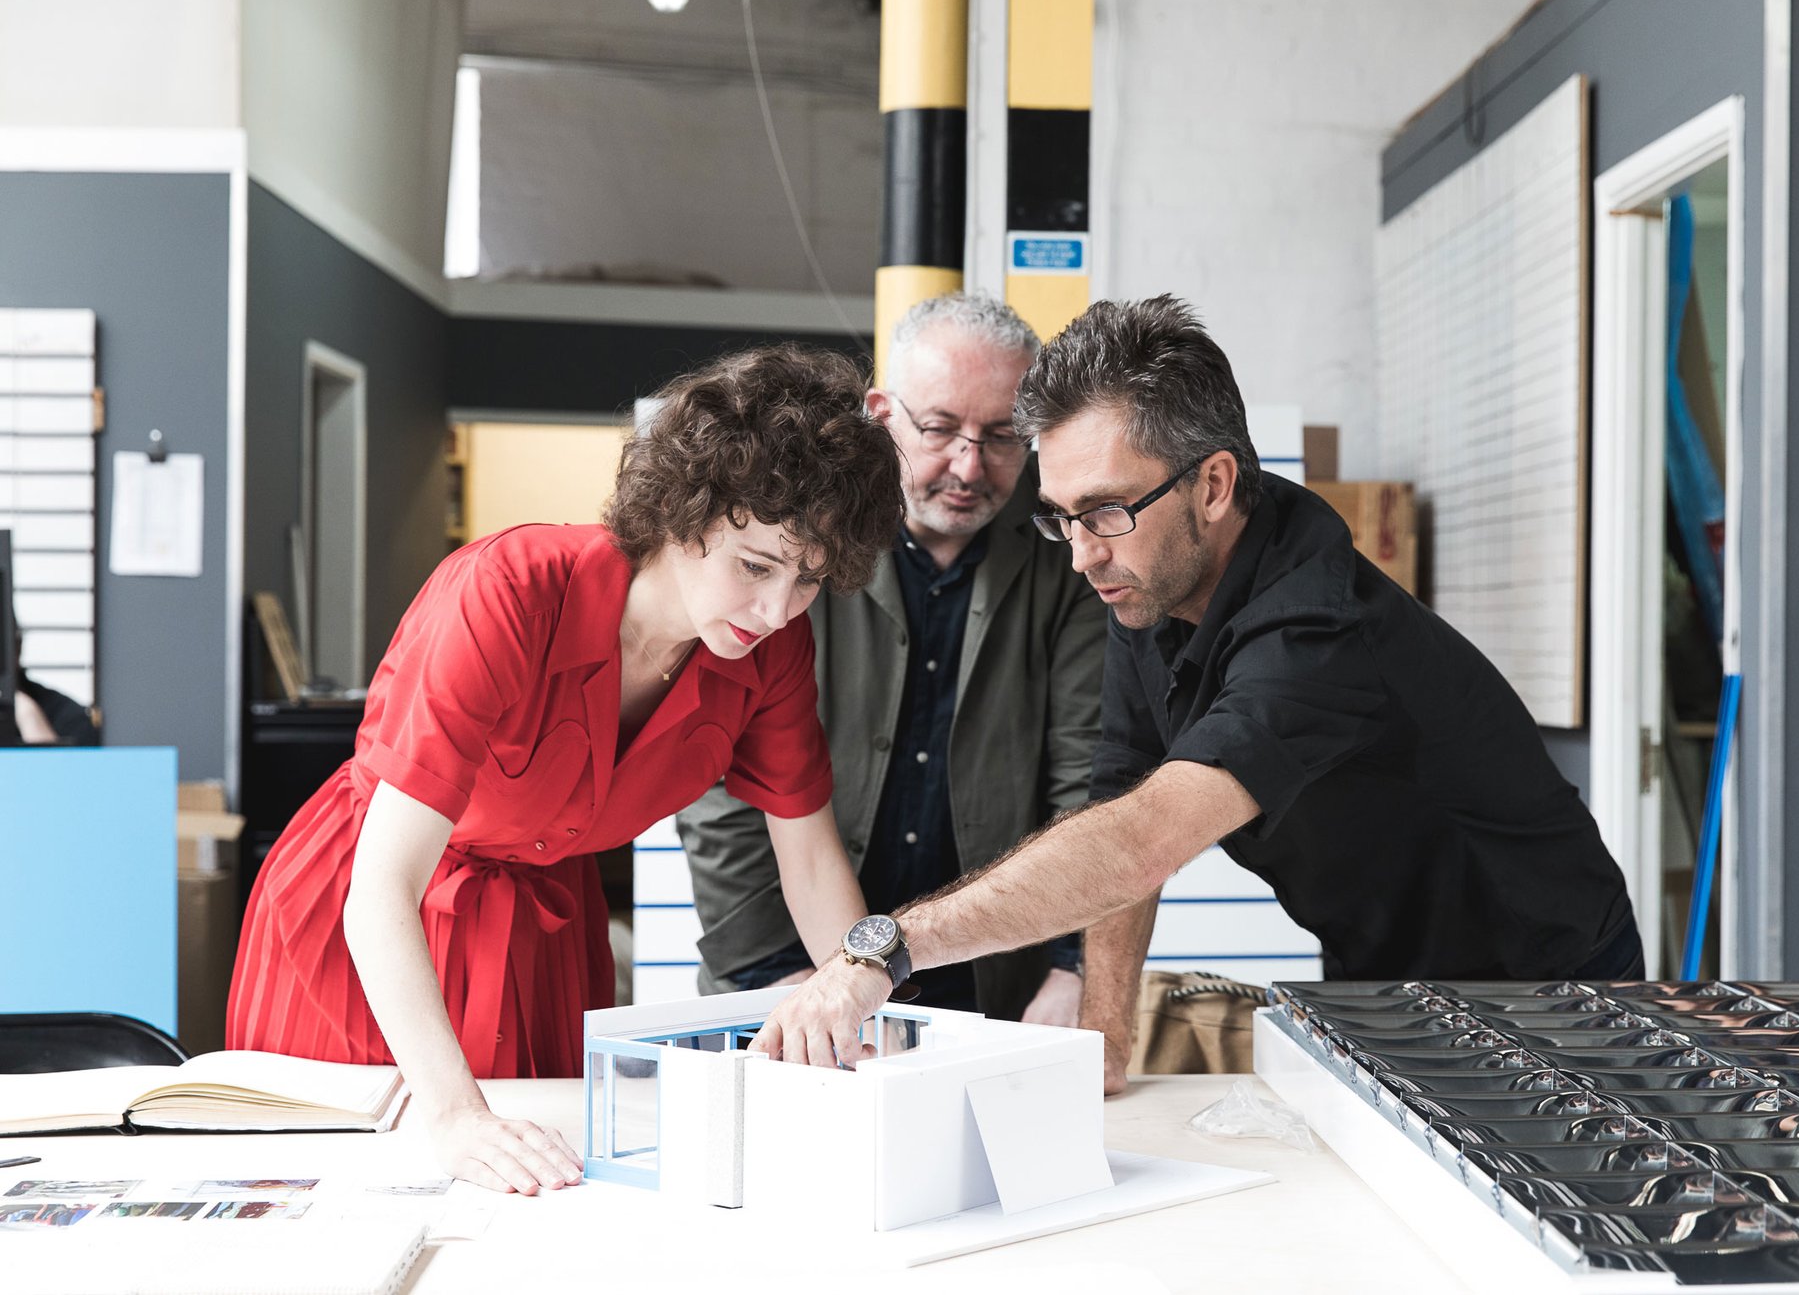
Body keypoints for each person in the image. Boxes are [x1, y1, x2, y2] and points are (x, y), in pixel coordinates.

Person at [749, 296, 1641, 1087]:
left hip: (1544, 991)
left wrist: (886, 949)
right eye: (1062, 517)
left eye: (1105, 511)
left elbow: (1142, 841)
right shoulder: (1154, 576)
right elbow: (1119, 791)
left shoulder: (1315, 634)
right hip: (1381, 978)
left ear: (1213, 485)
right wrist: (1104, 1035)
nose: (1082, 553)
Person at [227, 345, 903, 1192]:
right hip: (374, 920)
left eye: (808, 580)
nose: (776, 610)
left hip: (542, 936)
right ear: (685, 511)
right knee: (346, 1190)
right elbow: (382, 885)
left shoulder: (774, 651)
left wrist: (860, 1008)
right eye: (756, 565)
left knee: (541, 1191)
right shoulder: (507, 591)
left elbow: (810, 860)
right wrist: (455, 1113)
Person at [679, 294, 1105, 1021]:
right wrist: (773, 968)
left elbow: (1088, 777)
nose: (970, 465)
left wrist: (1074, 965)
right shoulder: (796, 538)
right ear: (881, 414)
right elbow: (720, 782)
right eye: (939, 429)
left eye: (1004, 436)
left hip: (997, 981)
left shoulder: (1068, 550)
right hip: (792, 967)